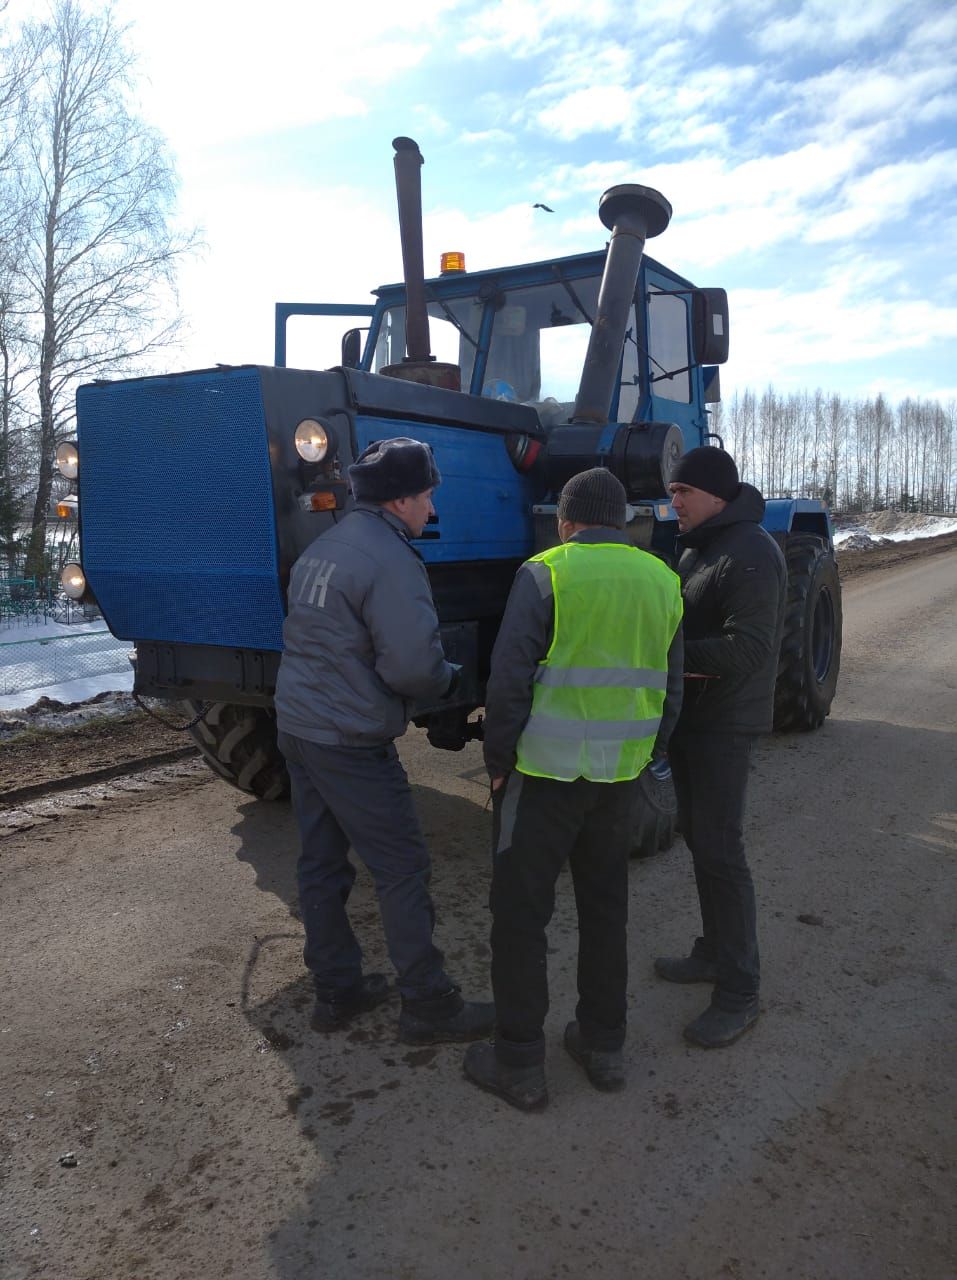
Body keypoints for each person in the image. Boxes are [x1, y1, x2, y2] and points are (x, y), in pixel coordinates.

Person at [463, 468, 684, 1111]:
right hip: (619, 779)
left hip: (543, 774)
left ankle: (520, 1063)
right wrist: (650, 754)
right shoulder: (662, 580)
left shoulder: (544, 572)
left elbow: (508, 682)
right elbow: (669, 689)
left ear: (565, 521)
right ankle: (603, 1045)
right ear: (623, 521)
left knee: (521, 917)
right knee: (605, 909)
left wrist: (497, 759)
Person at [275, 436, 495, 1046]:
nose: (430, 508)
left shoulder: (326, 547)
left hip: (299, 727)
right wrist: (452, 678)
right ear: (400, 500)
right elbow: (411, 670)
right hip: (348, 739)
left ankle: (336, 989)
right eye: (426, 496)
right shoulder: (391, 562)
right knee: (401, 867)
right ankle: (428, 1003)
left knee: (320, 862)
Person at [655, 446, 786, 1049]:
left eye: (681, 491)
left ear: (713, 494)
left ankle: (740, 991)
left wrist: (667, 659)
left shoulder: (752, 552)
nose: (672, 501)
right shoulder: (701, 546)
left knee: (721, 849)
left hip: (724, 723)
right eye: (672, 491)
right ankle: (712, 951)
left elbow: (750, 648)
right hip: (693, 716)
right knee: (700, 839)